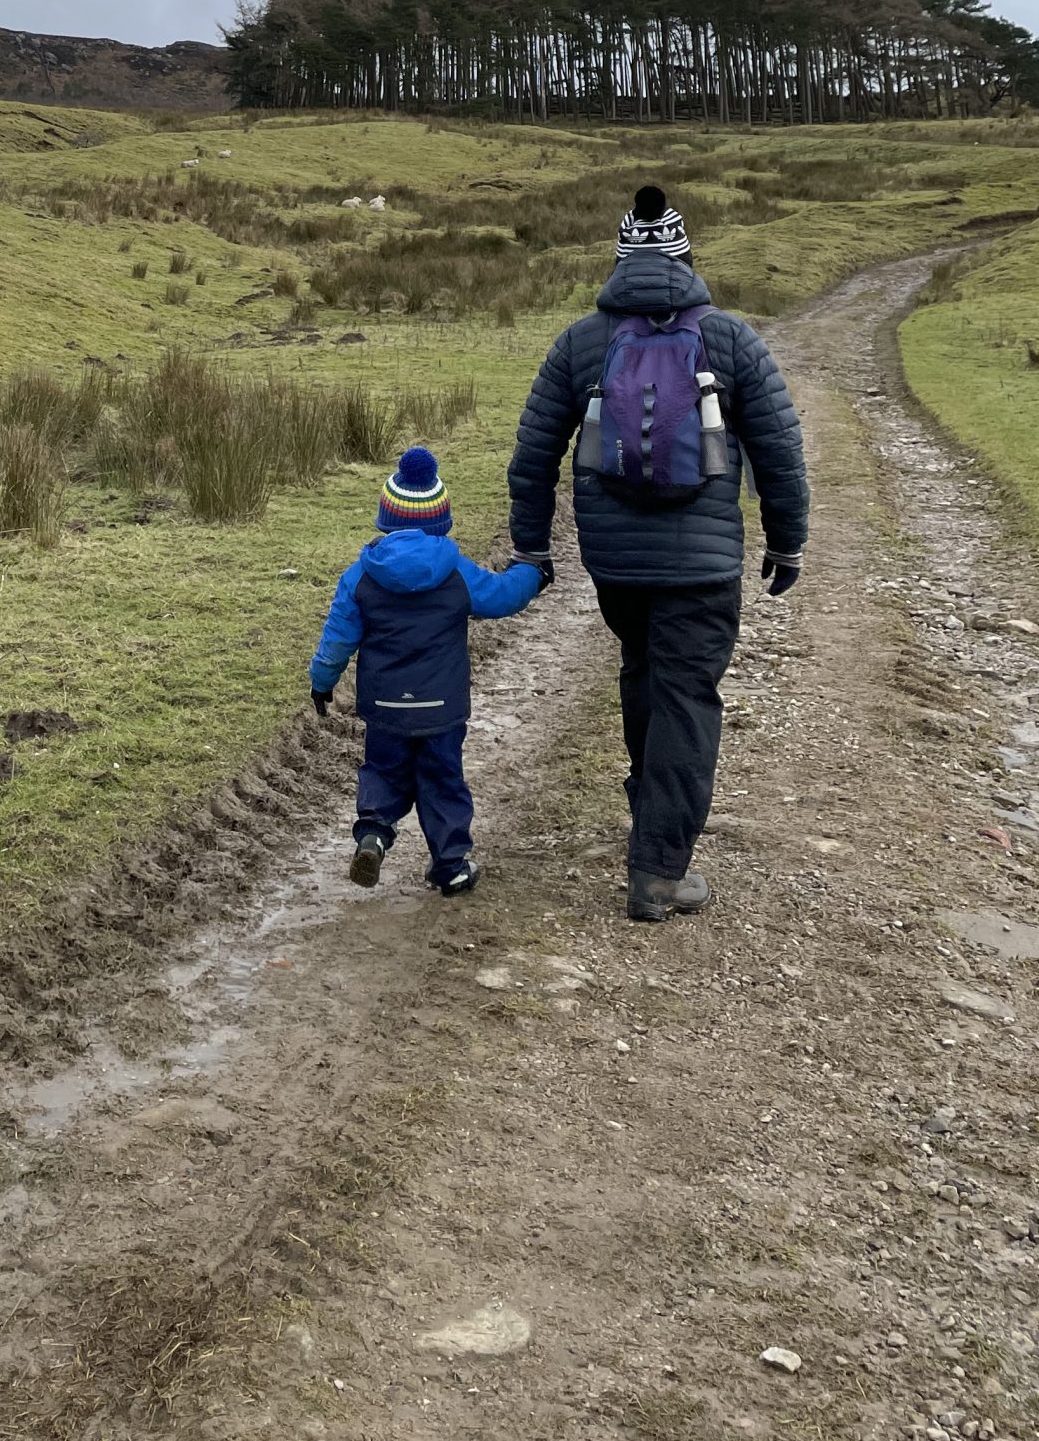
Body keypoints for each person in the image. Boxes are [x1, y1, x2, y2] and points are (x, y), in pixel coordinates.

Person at [508, 186, 809, 922]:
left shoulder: (581, 342)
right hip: (703, 565)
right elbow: (779, 452)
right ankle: (659, 870)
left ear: (619, 261)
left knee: (645, 671)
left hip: (614, 562)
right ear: (686, 259)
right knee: (687, 695)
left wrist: (532, 545)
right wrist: (786, 540)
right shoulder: (732, 339)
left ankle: (651, 812)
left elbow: (535, 451)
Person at [309, 446, 548, 896]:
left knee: (382, 770)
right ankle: (451, 866)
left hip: (384, 705)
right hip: (442, 705)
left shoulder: (360, 576)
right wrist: (532, 573)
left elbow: (337, 639)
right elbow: (501, 597)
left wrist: (322, 683)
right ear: (441, 518)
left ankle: (374, 835)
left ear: (386, 516)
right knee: (442, 780)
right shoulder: (454, 571)